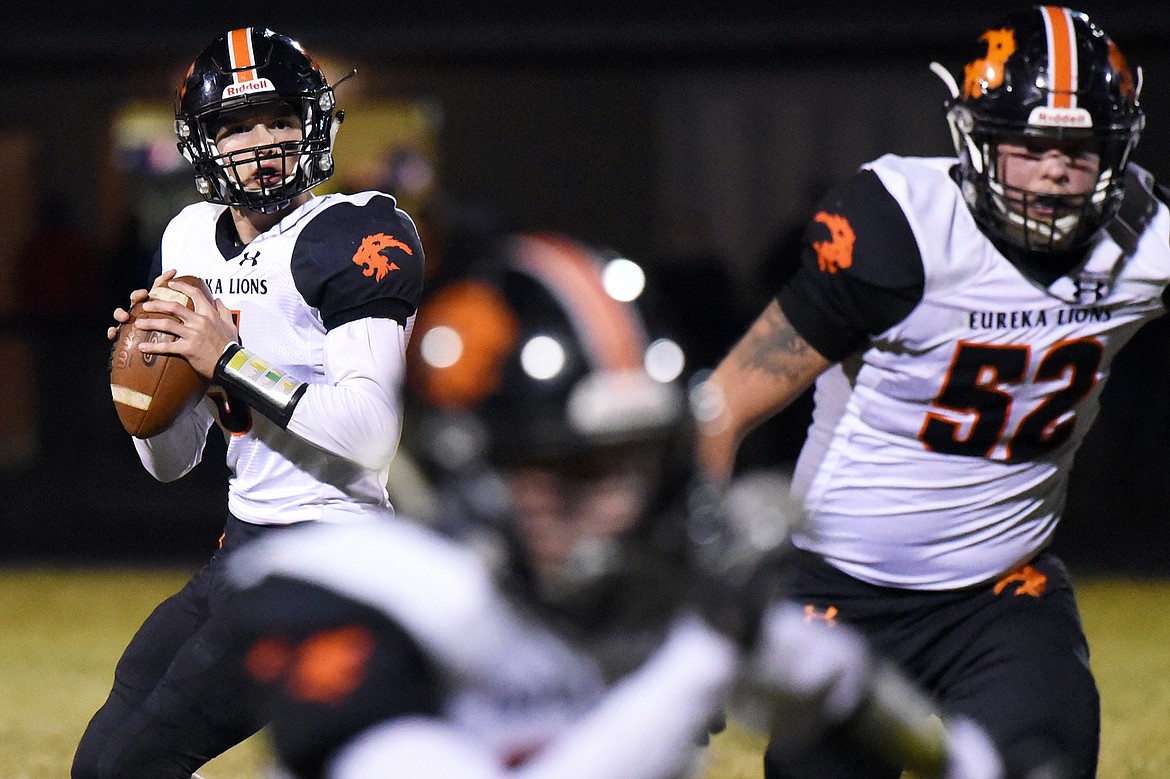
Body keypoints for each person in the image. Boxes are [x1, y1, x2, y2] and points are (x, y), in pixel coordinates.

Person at [219, 235, 1003, 779]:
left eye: (639, 464)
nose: (621, 505)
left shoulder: (638, 589)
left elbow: (831, 680)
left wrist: (964, 761)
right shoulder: (347, 594)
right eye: (577, 468)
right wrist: (707, 650)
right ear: (467, 466)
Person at [694, 6, 1166, 778]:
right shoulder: (900, 229)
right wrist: (700, 602)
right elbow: (720, 408)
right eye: (1031, 145)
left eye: (1079, 150)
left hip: (1004, 589)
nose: (1055, 169)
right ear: (975, 138)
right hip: (841, 596)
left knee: (1042, 759)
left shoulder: (1147, 238)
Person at [73, 27, 424, 779]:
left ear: (313, 129)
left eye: (279, 120)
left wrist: (224, 359)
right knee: (99, 763)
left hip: (335, 558)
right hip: (243, 546)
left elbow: (368, 436)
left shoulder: (357, 232)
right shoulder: (189, 237)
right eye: (235, 126)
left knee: (134, 766)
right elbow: (171, 463)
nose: (261, 142)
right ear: (205, 143)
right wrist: (149, 378)